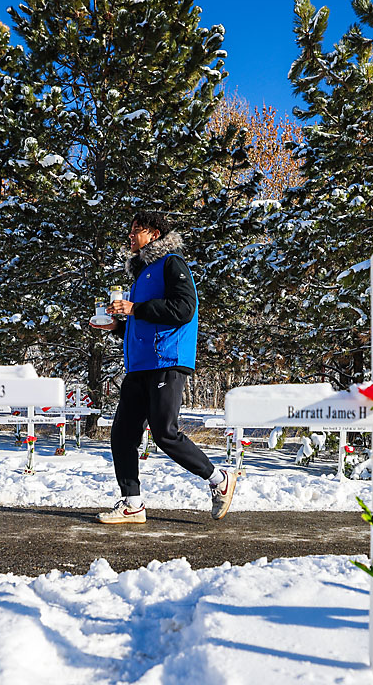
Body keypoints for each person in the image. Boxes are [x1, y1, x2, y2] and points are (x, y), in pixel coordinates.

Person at [90, 211, 236, 524]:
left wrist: (135, 308)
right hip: (140, 366)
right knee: (122, 434)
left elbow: (183, 309)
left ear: (154, 234)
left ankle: (218, 479)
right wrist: (117, 326)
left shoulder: (171, 264)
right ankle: (132, 504)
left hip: (167, 361)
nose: (130, 236)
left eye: (136, 230)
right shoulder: (141, 276)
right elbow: (143, 322)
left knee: (164, 432)